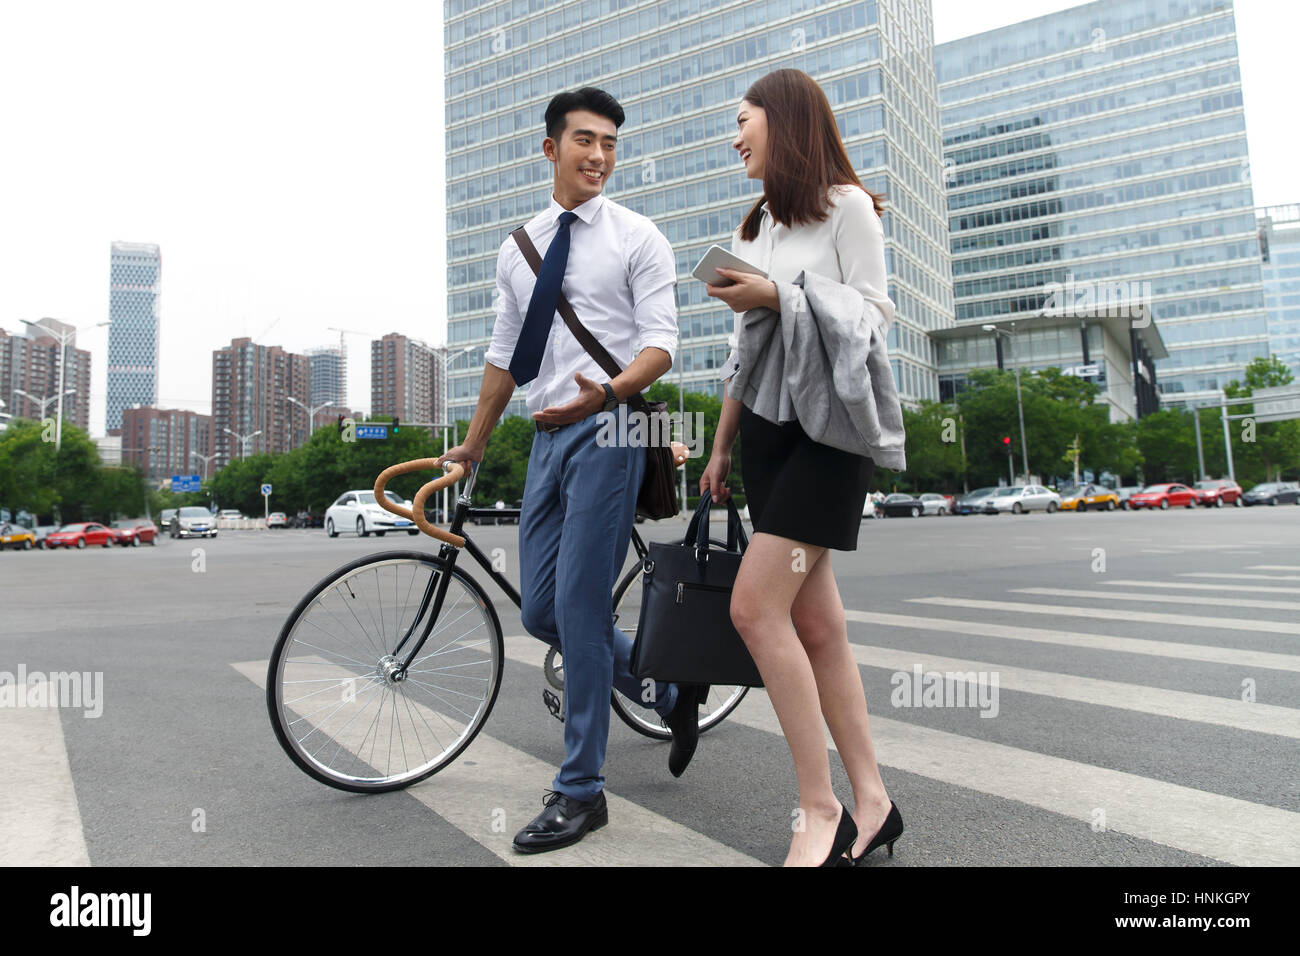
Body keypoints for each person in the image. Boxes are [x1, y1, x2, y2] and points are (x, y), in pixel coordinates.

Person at [435, 87, 705, 855]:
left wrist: (612, 392)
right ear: (550, 149)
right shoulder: (518, 247)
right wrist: (475, 443)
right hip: (545, 438)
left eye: (611, 144)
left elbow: (661, 345)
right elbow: (502, 356)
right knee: (540, 613)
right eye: (585, 140)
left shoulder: (638, 237)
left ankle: (582, 791)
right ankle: (672, 686)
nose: (599, 156)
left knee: (581, 613)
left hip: (613, 428)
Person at [700, 68, 906, 867]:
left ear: (783, 122)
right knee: (815, 624)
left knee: (755, 610)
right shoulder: (756, 226)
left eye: (743, 120)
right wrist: (720, 446)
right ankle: (874, 802)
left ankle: (817, 808)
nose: (734, 137)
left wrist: (779, 295)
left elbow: (875, 317)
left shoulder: (847, 207)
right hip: (766, 434)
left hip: (828, 436)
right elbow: (742, 356)